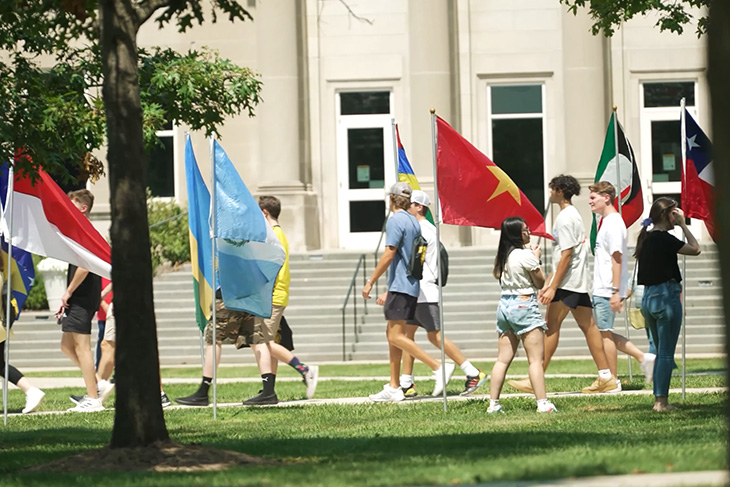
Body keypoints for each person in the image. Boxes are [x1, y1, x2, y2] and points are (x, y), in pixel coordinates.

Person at [176, 196, 317, 406]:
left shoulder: (244, 231)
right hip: (255, 292)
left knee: (214, 337)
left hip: (238, 291)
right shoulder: (259, 233)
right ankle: (269, 389)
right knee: (258, 340)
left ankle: (204, 391)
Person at [508, 175, 618, 394]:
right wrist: (549, 281)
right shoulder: (571, 215)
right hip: (575, 281)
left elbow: (567, 255)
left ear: (559, 190)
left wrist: (553, 287)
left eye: (552, 189)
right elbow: (563, 255)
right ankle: (606, 377)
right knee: (589, 327)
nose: (549, 192)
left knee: (551, 327)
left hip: (568, 282)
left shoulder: (566, 218)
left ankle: (535, 376)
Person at [363, 182, 454, 403]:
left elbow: (389, 253)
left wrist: (371, 280)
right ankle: (394, 386)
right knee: (391, 336)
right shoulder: (413, 221)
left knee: (396, 336)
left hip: (401, 285)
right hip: (410, 284)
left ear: (391, 199)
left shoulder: (395, 220)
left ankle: (438, 366)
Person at [395, 190, 484, 397]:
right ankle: (406, 383)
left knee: (435, 337)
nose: (406, 208)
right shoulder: (421, 228)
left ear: (419, 207)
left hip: (423, 290)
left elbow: (416, 261)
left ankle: (472, 372)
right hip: (417, 291)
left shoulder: (423, 230)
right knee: (406, 335)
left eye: (410, 204)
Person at [636, 197, 700, 411]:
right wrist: (683, 224)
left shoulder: (646, 238)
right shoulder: (665, 238)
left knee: (658, 351)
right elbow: (695, 248)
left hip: (648, 299)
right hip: (666, 297)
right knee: (665, 353)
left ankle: (659, 398)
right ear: (665, 215)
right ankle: (661, 402)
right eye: (674, 213)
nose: (677, 216)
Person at [487, 217, 557, 414]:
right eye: (525, 230)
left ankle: (493, 404)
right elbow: (540, 282)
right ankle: (543, 403)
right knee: (535, 360)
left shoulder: (503, 256)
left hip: (504, 305)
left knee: (502, 359)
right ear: (517, 234)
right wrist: (536, 259)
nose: (529, 232)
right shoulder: (525, 256)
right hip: (523, 303)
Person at [588, 182, 655, 382]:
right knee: (603, 333)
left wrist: (616, 291)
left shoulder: (614, 223)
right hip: (604, 287)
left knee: (604, 334)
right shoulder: (607, 222)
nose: (589, 201)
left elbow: (617, 258)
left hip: (607, 287)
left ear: (606, 197)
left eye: (593, 197)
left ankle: (612, 380)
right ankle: (643, 357)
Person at [58, 190, 105, 412]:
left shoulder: (83, 231)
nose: (68, 207)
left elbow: (85, 266)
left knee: (82, 347)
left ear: (83, 208)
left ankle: (93, 398)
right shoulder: (79, 231)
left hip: (82, 297)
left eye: (72, 203)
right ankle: (97, 383)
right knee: (67, 346)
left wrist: (68, 292)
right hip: (81, 297)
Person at [0, 262, 45, 414]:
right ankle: (31, 391)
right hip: (1, 327)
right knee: (0, 365)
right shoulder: (2, 272)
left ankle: (32, 391)